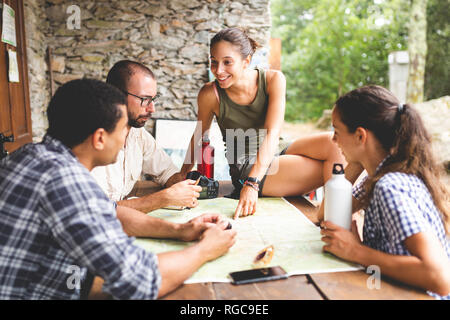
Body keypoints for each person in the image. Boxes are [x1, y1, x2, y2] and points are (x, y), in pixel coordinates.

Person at [0, 79, 236, 300]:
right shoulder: (67, 181)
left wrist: (181, 230)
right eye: (124, 128)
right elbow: (140, 280)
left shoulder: (30, 155)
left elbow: (110, 211)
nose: (127, 136)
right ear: (100, 138)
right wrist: (206, 249)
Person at [180, 27, 345, 219]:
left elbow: (273, 133)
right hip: (247, 164)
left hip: (278, 147)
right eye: (214, 62)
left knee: (335, 144)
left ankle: (330, 218)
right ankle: (334, 220)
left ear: (246, 61)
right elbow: (200, 136)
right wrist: (182, 173)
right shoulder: (210, 94)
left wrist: (253, 184)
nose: (219, 70)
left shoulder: (274, 79)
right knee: (331, 169)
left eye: (227, 62)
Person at [319, 85, 450, 299]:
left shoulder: (390, 186)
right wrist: (360, 157)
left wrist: (355, 251)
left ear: (361, 136)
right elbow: (325, 213)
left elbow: (441, 277)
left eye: (337, 131)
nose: (333, 140)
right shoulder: (381, 175)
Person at [91, 60, 200, 213]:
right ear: (116, 95)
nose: (152, 109)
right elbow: (98, 209)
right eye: (144, 99)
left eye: (153, 99)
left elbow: (167, 173)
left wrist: (185, 185)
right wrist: (164, 198)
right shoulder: (91, 140)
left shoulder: (138, 135)